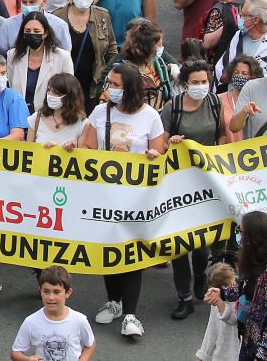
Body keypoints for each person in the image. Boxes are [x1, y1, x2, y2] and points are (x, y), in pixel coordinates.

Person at [80, 62, 169, 340]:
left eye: (116, 85)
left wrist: (153, 156)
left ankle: (130, 313)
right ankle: (114, 301)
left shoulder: (151, 116)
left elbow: (159, 152)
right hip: (106, 195)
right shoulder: (100, 112)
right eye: (110, 84)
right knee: (110, 249)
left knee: (131, 252)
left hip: (137, 198)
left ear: (130, 88)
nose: (111, 89)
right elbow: (87, 147)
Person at [162, 59, 227, 320]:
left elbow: (222, 134)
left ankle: (200, 275)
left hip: (206, 183)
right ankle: (184, 298)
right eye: (196, 82)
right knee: (179, 244)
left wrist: (218, 154)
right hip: (178, 184)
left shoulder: (214, 103)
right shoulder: (172, 107)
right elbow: (160, 142)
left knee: (201, 246)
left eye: (205, 82)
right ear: (184, 83)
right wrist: (172, 142)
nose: (201, 87)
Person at [211, 211, 267, 361]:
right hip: (251, 341)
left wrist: (261, 356)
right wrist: (223, 292)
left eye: (242, 233)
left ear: (255, 237)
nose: (239, 237)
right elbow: (248, 289)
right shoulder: (254, 259)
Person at [10, 265, 96, 361]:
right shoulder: (31, 322)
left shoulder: (79, 320)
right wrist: (28, 359)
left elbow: (90, 343)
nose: (51, 297)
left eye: (56, 292)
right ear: (40, 290)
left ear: (67, 293)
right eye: (46, 291)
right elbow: (15, 353)